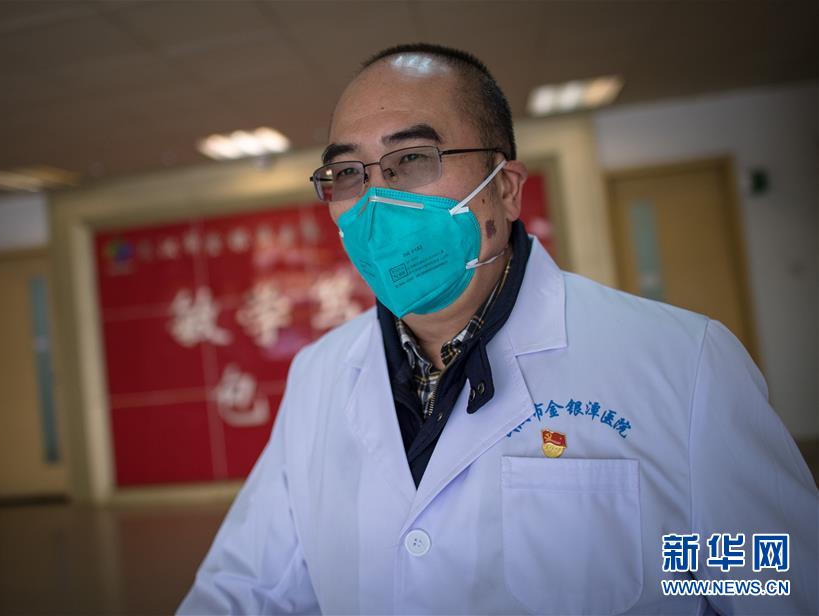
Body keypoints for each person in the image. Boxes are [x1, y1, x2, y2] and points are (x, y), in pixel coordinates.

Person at [179, 43, 817, 615]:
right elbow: (249, 588)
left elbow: (779, 584)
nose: (374, 202)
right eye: (348, 173)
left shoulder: (682, 362)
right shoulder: (319, 375)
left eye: (411, 158)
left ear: (506, 190)